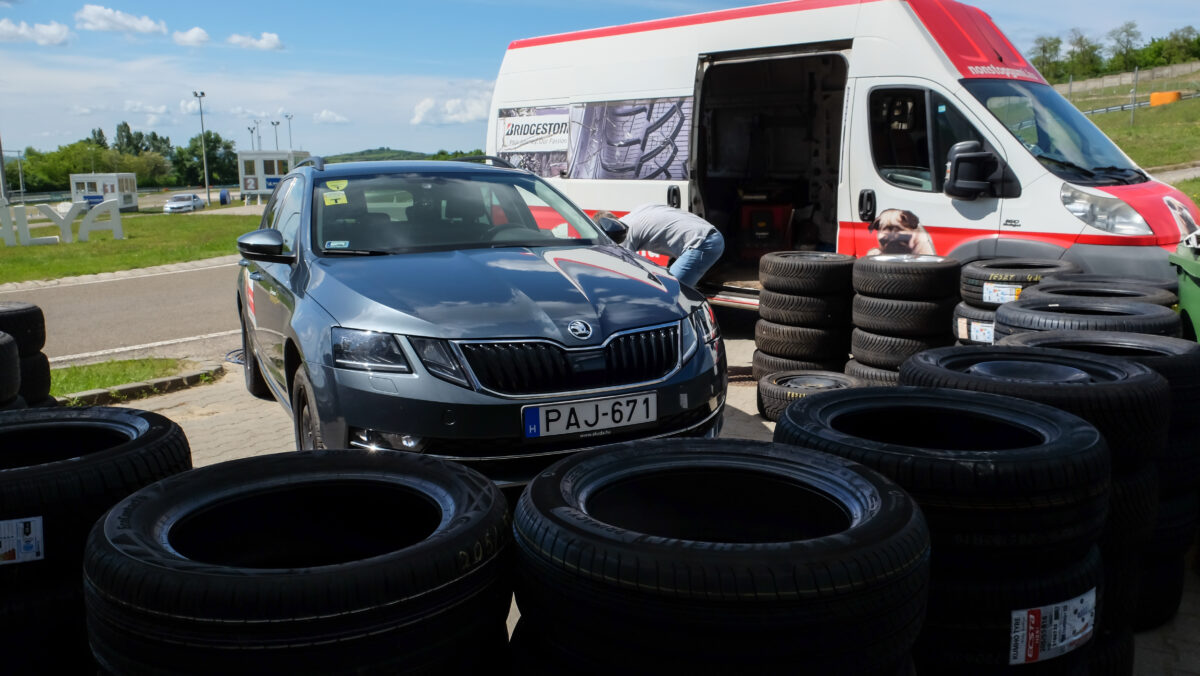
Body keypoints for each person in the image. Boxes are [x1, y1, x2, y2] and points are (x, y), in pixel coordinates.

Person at [594, 204, 725, 287]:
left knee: (671, 291)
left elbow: (625, 271)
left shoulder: (622, 235)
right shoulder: (635, 214)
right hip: (709, 235)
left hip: (703, 243)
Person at [866, 208, 936, 255]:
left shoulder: (922, 244)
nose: (893, 244)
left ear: (914, 228)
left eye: (902, 238)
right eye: (884, 241)